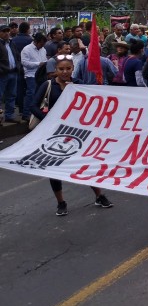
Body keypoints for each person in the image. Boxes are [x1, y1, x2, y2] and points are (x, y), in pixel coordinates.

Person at [32, 54, 114, 216]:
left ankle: (99, 195)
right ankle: (61, 203)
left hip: (78, 133)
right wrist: (49, 120)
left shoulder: (79, 85)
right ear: (55, 70)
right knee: (53, 169)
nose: (64, 72)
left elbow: (91, 106)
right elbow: (33, 106)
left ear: (73, 69)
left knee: (86, 165)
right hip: (54, 135)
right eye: (61, 69)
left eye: (68, 69)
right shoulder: (48, 85)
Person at [21, 33, 48, 121]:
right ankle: (26, 114)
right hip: (31, 75)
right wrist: (38, 64)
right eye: (41, 44)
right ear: (36, 42)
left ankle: (37, 112)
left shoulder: (43, 49)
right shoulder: (27, 49)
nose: (42, 46)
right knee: (31, 94)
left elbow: (45, 60)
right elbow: (24, 63)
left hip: (42, 75)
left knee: (41, 95)